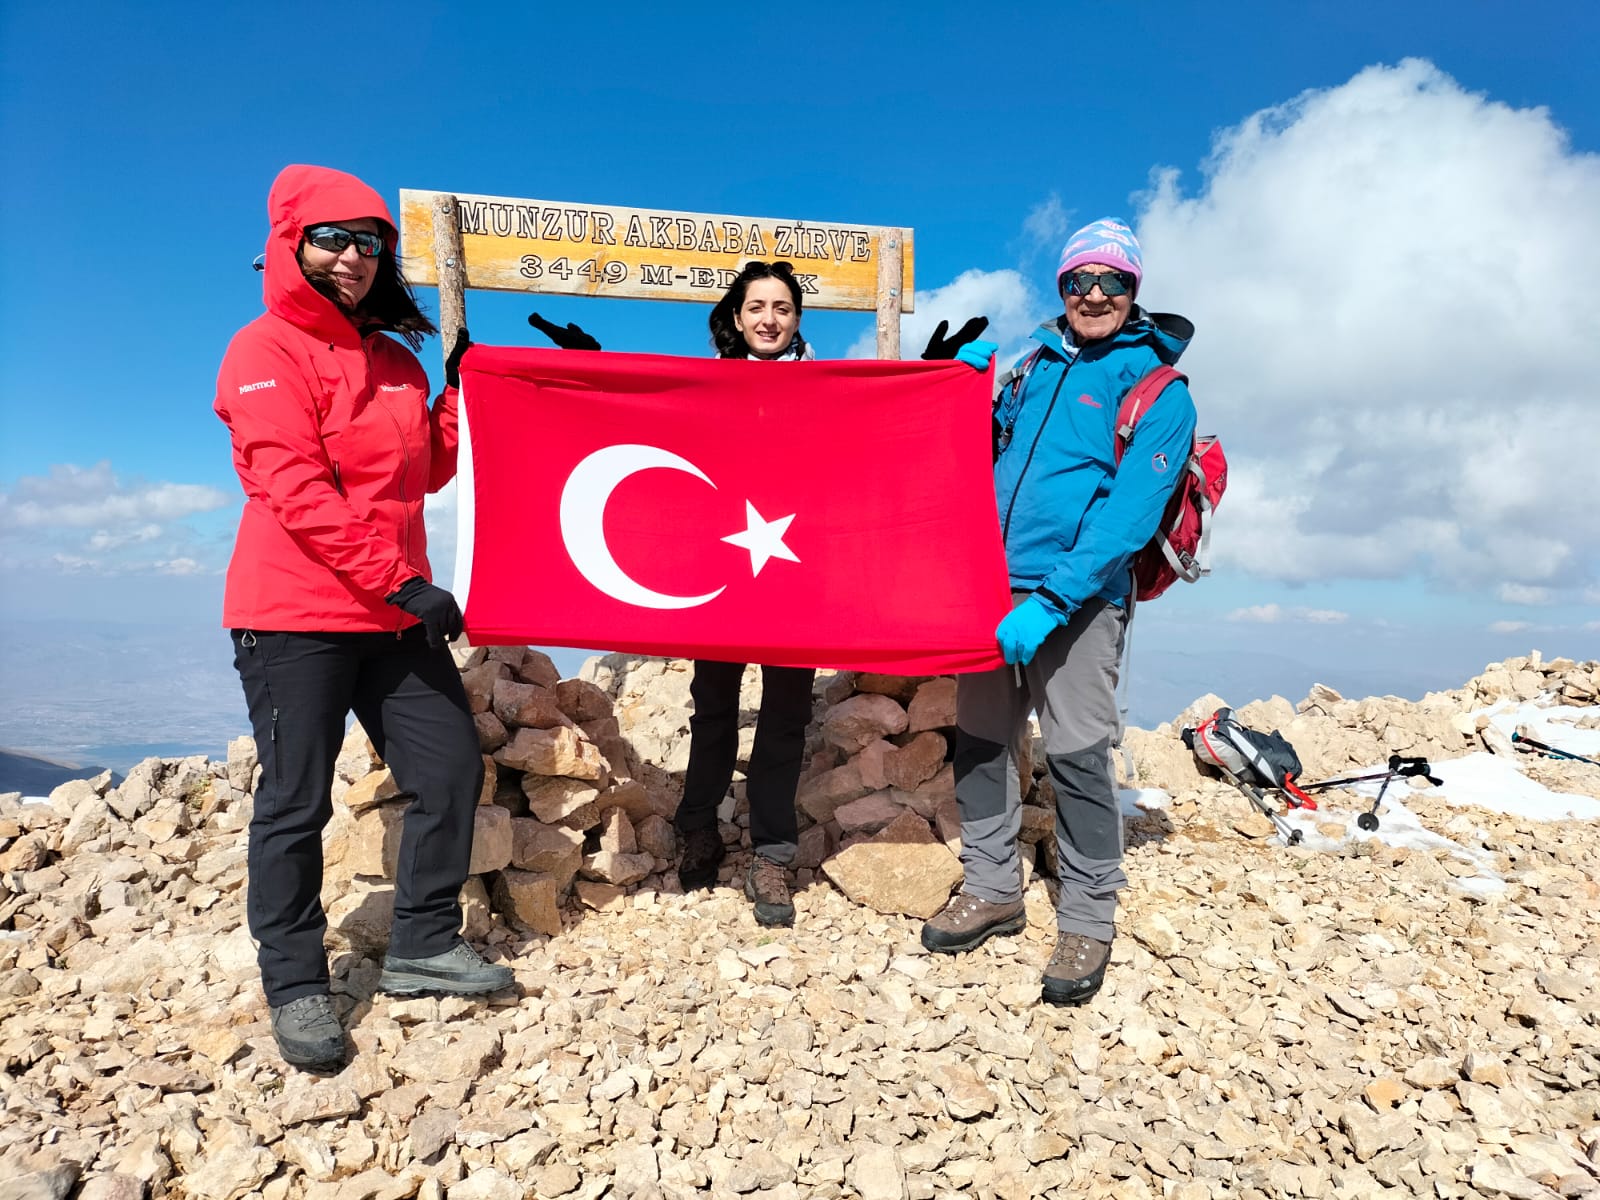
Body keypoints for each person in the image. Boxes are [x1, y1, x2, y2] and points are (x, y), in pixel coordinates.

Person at [215, 164, 513, 1070]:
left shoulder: (393, 359)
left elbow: (423, 471)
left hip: (388, 615)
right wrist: (403, 580)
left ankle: (421, 943)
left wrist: (457, 393)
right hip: (294, 616)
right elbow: (297, 490)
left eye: (369, 241)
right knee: (295, 800)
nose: (352, 256)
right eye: (333, 238)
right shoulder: (263, 349)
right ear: (291, 244)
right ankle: (298, 983)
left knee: (451, 764)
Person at [919, 218, 1198, 1007]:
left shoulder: (1157, 389)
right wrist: (960, 393)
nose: (1095, 295)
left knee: (1077, 756)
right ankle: (993, 887)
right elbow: (988, 456)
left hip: (1076, 601)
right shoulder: (1032, 367)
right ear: (1062, 289)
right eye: (1080, 280)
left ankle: (1086, 916)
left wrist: (1051, 599)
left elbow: (1129, 519)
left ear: (1135, 289)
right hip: (992, 590)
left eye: (1112, 281)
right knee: (980, 739)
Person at [529, 262, 838, 927]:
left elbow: (867, 443)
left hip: (792, 575)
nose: (769, 319)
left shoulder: (824, 389)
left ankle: (773, 855)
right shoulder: (705, 388)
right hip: (720, 576)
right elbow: (645, 419)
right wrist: (593, 372)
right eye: (757, 306)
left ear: (798, 320)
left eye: (782, 308)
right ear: (735, 316)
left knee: (785, 719)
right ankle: (699, 827)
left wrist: (933, 377)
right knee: (714, 712)